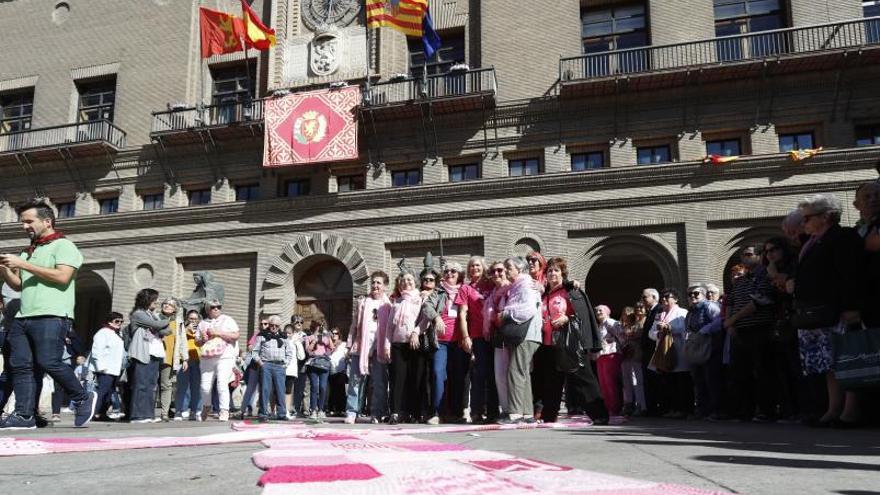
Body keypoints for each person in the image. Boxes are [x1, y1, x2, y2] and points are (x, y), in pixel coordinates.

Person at [0, 199, 97, 429]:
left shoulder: (64, 246)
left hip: (52, 314)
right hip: (23, 316)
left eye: (28, 222)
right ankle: (24, 415)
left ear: (47, 221)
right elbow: (18, 286)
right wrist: (4, 269)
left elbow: (63, 277)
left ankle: (83, 397)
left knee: (48, 361)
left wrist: (23, 265)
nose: (24, 227)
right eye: (22, 223)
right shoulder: (29, 252)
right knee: (21, 366)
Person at [794, 193, 864, 427]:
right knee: (828, 364)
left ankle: (850, 411)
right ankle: (833, 408)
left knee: (845, 360)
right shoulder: (812, 242)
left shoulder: (842, 237)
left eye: (807, 218)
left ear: (825, 217)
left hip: (837, 310)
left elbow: (849, 275)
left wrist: (851, 306)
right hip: (817, 313)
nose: (803, 224)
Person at [540, 257, 607, 424]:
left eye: (556, 270)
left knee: (582, 379)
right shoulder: (543, 295)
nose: (552, 273)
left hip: (571, 343)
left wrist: (567, 319)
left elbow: (582, 316)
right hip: (549, 344)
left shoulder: (571, 291)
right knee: (551, 382)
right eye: (549, 271)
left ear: (563, 272)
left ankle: (600, 415)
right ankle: (548, 417)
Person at [724, 246, 780, 422]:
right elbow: (731, 302)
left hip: (759, 329)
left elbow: (759, 301)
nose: (744, 257)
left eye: (748, 254)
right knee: (740, 372)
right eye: (742, 255)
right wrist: (730, 324)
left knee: (762, 371)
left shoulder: (763, 275)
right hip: (739, 331)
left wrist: (733, 320)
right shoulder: (740, 280)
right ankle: (743, 410)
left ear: (759, 256)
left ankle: (765, 410)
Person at [497, 256, 542, 424]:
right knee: (522, 372)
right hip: (527, 334)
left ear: (519, 269)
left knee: (515, 371)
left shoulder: (525, 284)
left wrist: (506, 313)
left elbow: (527, 310)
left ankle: (515, 414)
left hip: (526, 334)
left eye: (509, 267)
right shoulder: (517, 286)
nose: (506, 270)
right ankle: (527, 413)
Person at [422, 261, 467, 424]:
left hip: (459, 342)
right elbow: (426, 306)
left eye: (453, 271)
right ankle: (437, 413)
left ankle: (456, 413)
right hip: (440, 342)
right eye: (447, 271)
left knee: (458, 377)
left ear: (459, 274)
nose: (450, 274)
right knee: (437, 373)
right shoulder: (438, 292)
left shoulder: (465, 290)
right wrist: (436, 317)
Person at [455, 256, 498, 424]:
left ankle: (493, 411)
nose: (474, 268)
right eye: (471, 266)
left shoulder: (491, 283)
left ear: (483, 267)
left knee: (494, 374)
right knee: (479, 375)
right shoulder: (465, 288)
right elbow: (462, 314)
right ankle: (476, 412)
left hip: (495, 334)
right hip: (477, 336)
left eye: (477, 265)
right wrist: (465, 336)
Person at [345, 271, 391, 424]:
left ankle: (377, 413)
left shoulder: (388, 305)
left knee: (379, 382)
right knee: (355, 380)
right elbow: (354, 325)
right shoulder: (363, 302)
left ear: (385, 286)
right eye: (373, 282)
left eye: (379, 283)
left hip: (379, 347)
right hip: (361, 345)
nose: (375, 285)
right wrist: (349, 344)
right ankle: (352, 411)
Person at [380, 270, 424, 424]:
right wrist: (387, 345)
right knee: (398, 380)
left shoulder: (420, 299)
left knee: (415, 378)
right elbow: (389, 328)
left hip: (414, 344)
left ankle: (414, 413)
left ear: (415, 282)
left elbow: (424, 320)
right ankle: (396, 412)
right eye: (403, 280)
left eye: (410, 279)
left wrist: (416, 333)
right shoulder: (396, 303)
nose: (406, 282)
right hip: (398, 344)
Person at [128, 288, 170, 423]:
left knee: (151, 385)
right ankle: (137, 415)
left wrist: (160, 325)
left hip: (154, 352)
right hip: (142, 352)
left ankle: (148, 415)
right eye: (154, 300)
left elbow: (167, 331)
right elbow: (158, 324)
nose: (156, 302)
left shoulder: (151, 314)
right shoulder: (138, 314)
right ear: (147, 299)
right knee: (141, 384)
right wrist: (167, 319)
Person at [648, 288, 691, 419]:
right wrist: (658, 333)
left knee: (681, 382)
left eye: (668, 297)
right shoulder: (659, 314)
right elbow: (651, 333)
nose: (664, 299)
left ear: (676, 299)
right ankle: (672, 408)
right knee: (668, 382)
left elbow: (685, 328)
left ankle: (684, 409)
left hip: (678, 349)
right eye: (663, 297)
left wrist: (670, 328)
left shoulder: (682, 312)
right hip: (664, 352)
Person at [196, 299, 240, 422]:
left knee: (222, 383)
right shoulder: (202, 323)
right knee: (205, 386)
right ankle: (206, 406)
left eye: (218, 307)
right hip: (207, 357)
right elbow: (197, 342)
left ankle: (224, 410)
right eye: (213, 307)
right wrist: (202, 339)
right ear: (207, 310)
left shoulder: (228, 320)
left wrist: (218, 333)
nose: (216, 309)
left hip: (225, 356)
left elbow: (236, 335)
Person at [685, 285, 722, 419]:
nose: (692, 297)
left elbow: (719, 321)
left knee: (711, 379)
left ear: (704, 294)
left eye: (696, 294)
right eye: (690, 294)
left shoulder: (710, 306)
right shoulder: (691, 312)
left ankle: (715, 411)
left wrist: (704, 330)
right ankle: (702, 410)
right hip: (696, 349)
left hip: (710, 347)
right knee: (698, 380)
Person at [251, 315, 293, 421]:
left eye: (276, 325)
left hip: (280, 366)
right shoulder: (261, 335)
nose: (274, 327)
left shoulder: (284, 337)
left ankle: (282, 413)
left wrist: (285, 364)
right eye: (272, 325)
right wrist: (261, 363)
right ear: (269, 325)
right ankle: (263, 413)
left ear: (279, 326)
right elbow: (254, 351)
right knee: (265, 389)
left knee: (280, 389)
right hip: (266, 365)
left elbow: (289, 352)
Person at [484, 261, 511, 419]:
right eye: (493, 271)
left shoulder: (513, 287)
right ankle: (506, 409)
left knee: (514, 374)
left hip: (514, 336)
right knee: (499, 375)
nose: (496, 274)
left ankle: (518, 409)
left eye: (499, 270)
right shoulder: (493, 292)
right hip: (498, 337)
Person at [89, 312, 126, 421]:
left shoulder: (116, 334)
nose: (119, 323)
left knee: (109, 392)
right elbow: (97, 351)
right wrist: (101, 367)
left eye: (121, 321)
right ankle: (93, 413)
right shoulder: (102, 333)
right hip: (105, 369)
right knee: (102, 392)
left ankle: (102, 413)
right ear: (109, 321)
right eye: (117, 321)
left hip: (114, 369)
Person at [595, 305, 623, 416]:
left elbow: (621, 335)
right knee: (603, 383)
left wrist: (619, 345)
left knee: (611, 383)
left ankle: (615, 407)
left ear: (607, 312)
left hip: (611, 354)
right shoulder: (600, 325)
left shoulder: (611, 322)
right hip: (601, 355)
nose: (598, 312)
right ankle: (608, 407)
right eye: (596, 310)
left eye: (600, 310)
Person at [157, 298, 183, 421]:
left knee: (166, 385)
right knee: (151, 385)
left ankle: (164, 413)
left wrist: (184, 358)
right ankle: (147, 412)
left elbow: (182, 340)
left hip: (168, 357)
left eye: (170, 305)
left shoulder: (178, 322)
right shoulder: (155, 317)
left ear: (174, 309)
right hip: (153, 356)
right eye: (165, 304)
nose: (167, 306)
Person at [174, 310, 202, 421]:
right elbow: (178, 339)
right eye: (191, 318)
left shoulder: (201, 328)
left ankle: (195, 410)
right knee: (183, 387)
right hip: (185, 359)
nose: (193, 321)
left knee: (196, 387)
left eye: (195, 319)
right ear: (187, 319)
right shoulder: (182, 328)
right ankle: (181, 410)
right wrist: (186, 330)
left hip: (198, 359)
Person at [620, 304, 646, 416]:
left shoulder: (645, 322)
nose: (639, 310)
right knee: (627, 381)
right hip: (627, 354)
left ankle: (641, 405)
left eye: (641, 308)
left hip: (638, 354)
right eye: (637, 308)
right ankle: (628, 403)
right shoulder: (632, 324)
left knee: (638, 381)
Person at [305, 322, 335, 421]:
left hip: (324, 364)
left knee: (323, 387)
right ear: (314, 329)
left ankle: (321, 410)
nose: (320, 331)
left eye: (321, 329)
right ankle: (313, 410)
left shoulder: (326, 338)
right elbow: (308, 351)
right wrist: (315, 340)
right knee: (314, 387)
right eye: (318, 329)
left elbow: (332, 348)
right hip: (313, 364)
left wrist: (328, 337)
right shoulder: (308, 338)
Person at [239, 318, 268, 419]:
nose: (263, 326)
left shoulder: (271, 335)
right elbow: (250, 347)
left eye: (265, 324)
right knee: (250, 388)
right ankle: (242, 410)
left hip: (266, 365)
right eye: (261, 324)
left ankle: (262, 411)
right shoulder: (257, 334)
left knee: (264, 388)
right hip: (255, 364)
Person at [639, 288, 662, 416]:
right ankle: (650, 407)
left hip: (653, 350)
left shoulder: (658, 310)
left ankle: (655, 407)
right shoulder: (650, 311)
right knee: (648, 380)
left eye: (644, 297)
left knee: (654, 380)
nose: (642, 300)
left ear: (653, 297)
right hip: (647, 351)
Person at [285, 320, 307, 418]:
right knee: (279, 390)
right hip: (281, 369)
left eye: (289, 333)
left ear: (293, 333)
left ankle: (286, 411)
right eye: (286, 333)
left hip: (291, 370)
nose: (287, 335)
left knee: (288, 391)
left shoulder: (295, 341)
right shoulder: (281, 340)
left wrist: (297, 343)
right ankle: (278, 411)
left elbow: (301, 356)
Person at [326, 327, 348, 416]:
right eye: (333, 333)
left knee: (341, 390)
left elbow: (346, 355)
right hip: (331, 370)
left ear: (339, 335)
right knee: (332, 390)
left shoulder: (343, 344)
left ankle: (341, 409)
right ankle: (332, 408)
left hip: (341, 370)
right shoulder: (328, 345)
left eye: (336, 333)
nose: (334, 335)